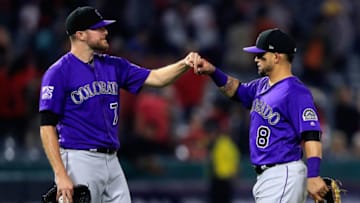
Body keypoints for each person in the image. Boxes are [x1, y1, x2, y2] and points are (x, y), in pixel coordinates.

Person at [39, 6, 200, 203]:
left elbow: (156, 78)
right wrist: (61, 174)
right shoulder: (58, 72)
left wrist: (184, 64)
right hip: (79, 158)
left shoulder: (113, 65)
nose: (105, 32)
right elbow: (46, 127)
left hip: (112, 160)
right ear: (81, 35)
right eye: (98, 28)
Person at [193, 28, 329, 202]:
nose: (256, 58)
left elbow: (311, 135)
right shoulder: (262, 85)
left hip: (283, 172)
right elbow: (237, 91)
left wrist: (314, 174)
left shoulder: (295, 91)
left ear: (276, 56)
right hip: (267, 176)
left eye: (261, 54)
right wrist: (213, 72)